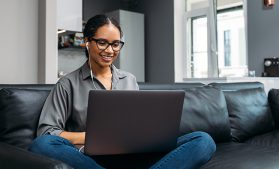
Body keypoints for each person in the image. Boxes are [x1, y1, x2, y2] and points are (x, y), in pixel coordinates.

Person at [28, 14, 216, 169]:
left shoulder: (129, 79)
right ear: (87, 42)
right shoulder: (67, 83)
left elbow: (138, 124)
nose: (110, 50)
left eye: (116, 44)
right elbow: (47, 132)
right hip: (91, 160)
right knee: (41, 145)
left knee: (203, 140)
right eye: (102, 43)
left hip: (135, 154)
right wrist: (95, 137)